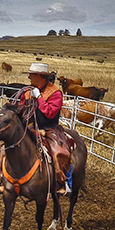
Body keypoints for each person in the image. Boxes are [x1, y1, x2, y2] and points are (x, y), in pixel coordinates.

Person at [18, 62, 71, 195]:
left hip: (49, 128)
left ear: (39, 75)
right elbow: (21, 107)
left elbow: (50, 113)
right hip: (29, 127)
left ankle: (63, 182)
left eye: (31, 74)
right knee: (7, 145)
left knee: (59, 152)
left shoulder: (55, 92)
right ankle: (5, 178)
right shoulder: (28, 90)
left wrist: (39, 97)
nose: (29, 77)